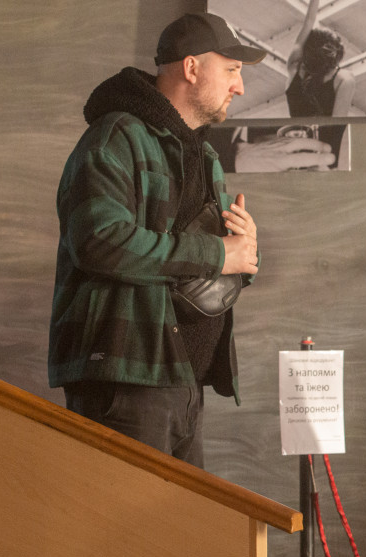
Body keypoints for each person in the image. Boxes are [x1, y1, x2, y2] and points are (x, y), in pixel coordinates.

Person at [49, 12, 264, 468]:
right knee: (123, 517)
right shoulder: (114, 138)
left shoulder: (204, 154)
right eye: (232, 70)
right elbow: (99, 241)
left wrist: (243, 254)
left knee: (180, 518)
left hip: (183, 381)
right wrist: (218, 253)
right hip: (128, 381)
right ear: (191, 68)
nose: (240, 87)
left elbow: (202, 265)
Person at [286, 0, 356, 117]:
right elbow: (337, 123)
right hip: (326, 128)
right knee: (348, 77)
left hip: (295, 128)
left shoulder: (294, 67)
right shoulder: (343, 79)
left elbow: (308, 23)